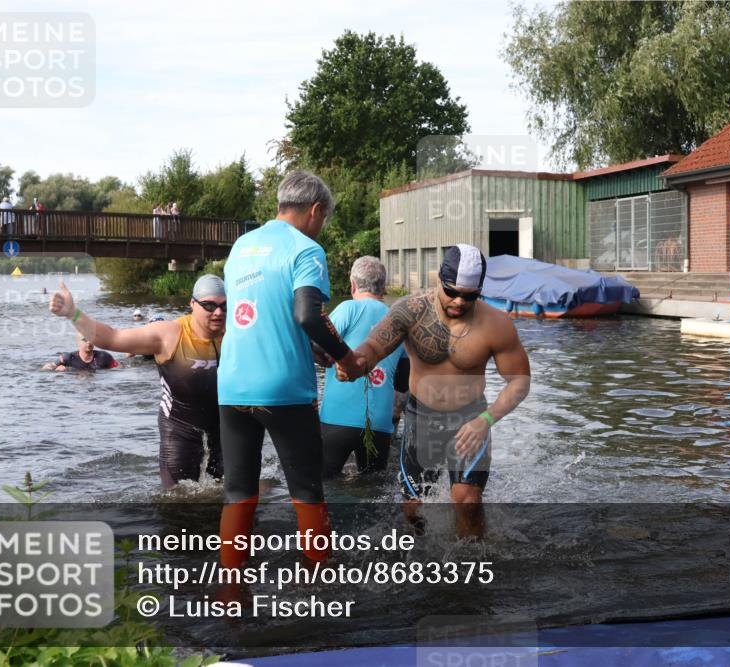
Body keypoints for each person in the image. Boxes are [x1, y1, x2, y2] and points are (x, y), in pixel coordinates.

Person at [216, 170, 362, 568]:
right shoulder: (306, 249)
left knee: (238, 492)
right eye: (324, 218)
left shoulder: (241, 246)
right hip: (283, 389)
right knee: (307, 492)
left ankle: (232, 590)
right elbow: (307, 314)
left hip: (231, 384)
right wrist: (345, 358)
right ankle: (319, 582)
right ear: (316, 210)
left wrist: (312, 347)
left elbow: (263, 318)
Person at [340, 244, 531, 535]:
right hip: (420, 418)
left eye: (469, 296)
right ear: (439, 280)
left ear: (479, 290)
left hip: (471, 420)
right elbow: (373, 348)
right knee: (414, 510)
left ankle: (474, 570)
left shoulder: (496, 324)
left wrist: (486, 420)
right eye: (451, 291)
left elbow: (520, 380)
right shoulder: (410, 310)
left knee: (467, 501)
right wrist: (356, 364)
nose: (458, 301)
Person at [49, 275, 227, 488]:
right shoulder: (169, 334)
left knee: (230, 493)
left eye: (224, 306)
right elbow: (112, 337)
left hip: (226, 427)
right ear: (192, 304)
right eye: (208, 305)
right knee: (181, 500)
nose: (218, 312)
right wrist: (73, 313)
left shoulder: (236, 332)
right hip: (180, 429)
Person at [319, 256, 409, 477]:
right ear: (384, 287)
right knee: (373, 492)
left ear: (352, 285)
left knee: (325, 485)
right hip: (378, 423)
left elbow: (320, 348)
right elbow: (403, 381)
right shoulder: (398, 320)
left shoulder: (347, 309)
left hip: (336, 419)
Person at [43, 332, 120, 371]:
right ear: (78, 343)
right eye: (85, 340)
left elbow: (119, 366)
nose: (89, 342)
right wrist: (56, 370)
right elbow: (47, 367)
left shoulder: (103, 357)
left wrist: (116, 368)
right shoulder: (68, 358)